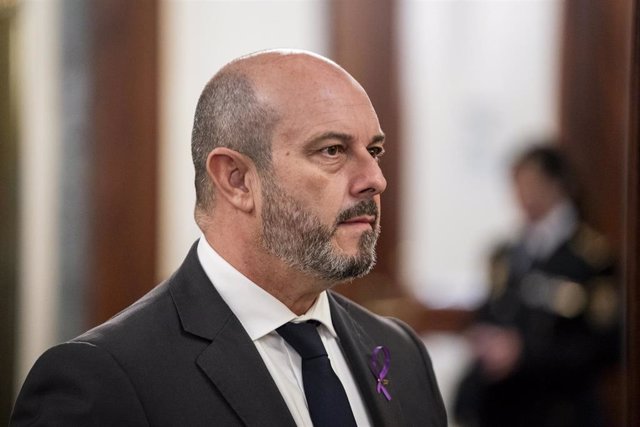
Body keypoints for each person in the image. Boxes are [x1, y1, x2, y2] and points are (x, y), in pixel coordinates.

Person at [11, 50, 447, 426]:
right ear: (236, 179)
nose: (375, 179)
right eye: (332, 150)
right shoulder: (102, 379)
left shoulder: (399, 352)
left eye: (373, 151)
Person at [454, 144, 620, 427]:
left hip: (561, 409)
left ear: (558, 185)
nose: (522, 195)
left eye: (531, 183)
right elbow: (490, 313)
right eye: (517, 185)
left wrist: (524, 353)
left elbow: (605, 345)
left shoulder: (590, 258)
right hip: (505, 406)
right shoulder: (505, 254)